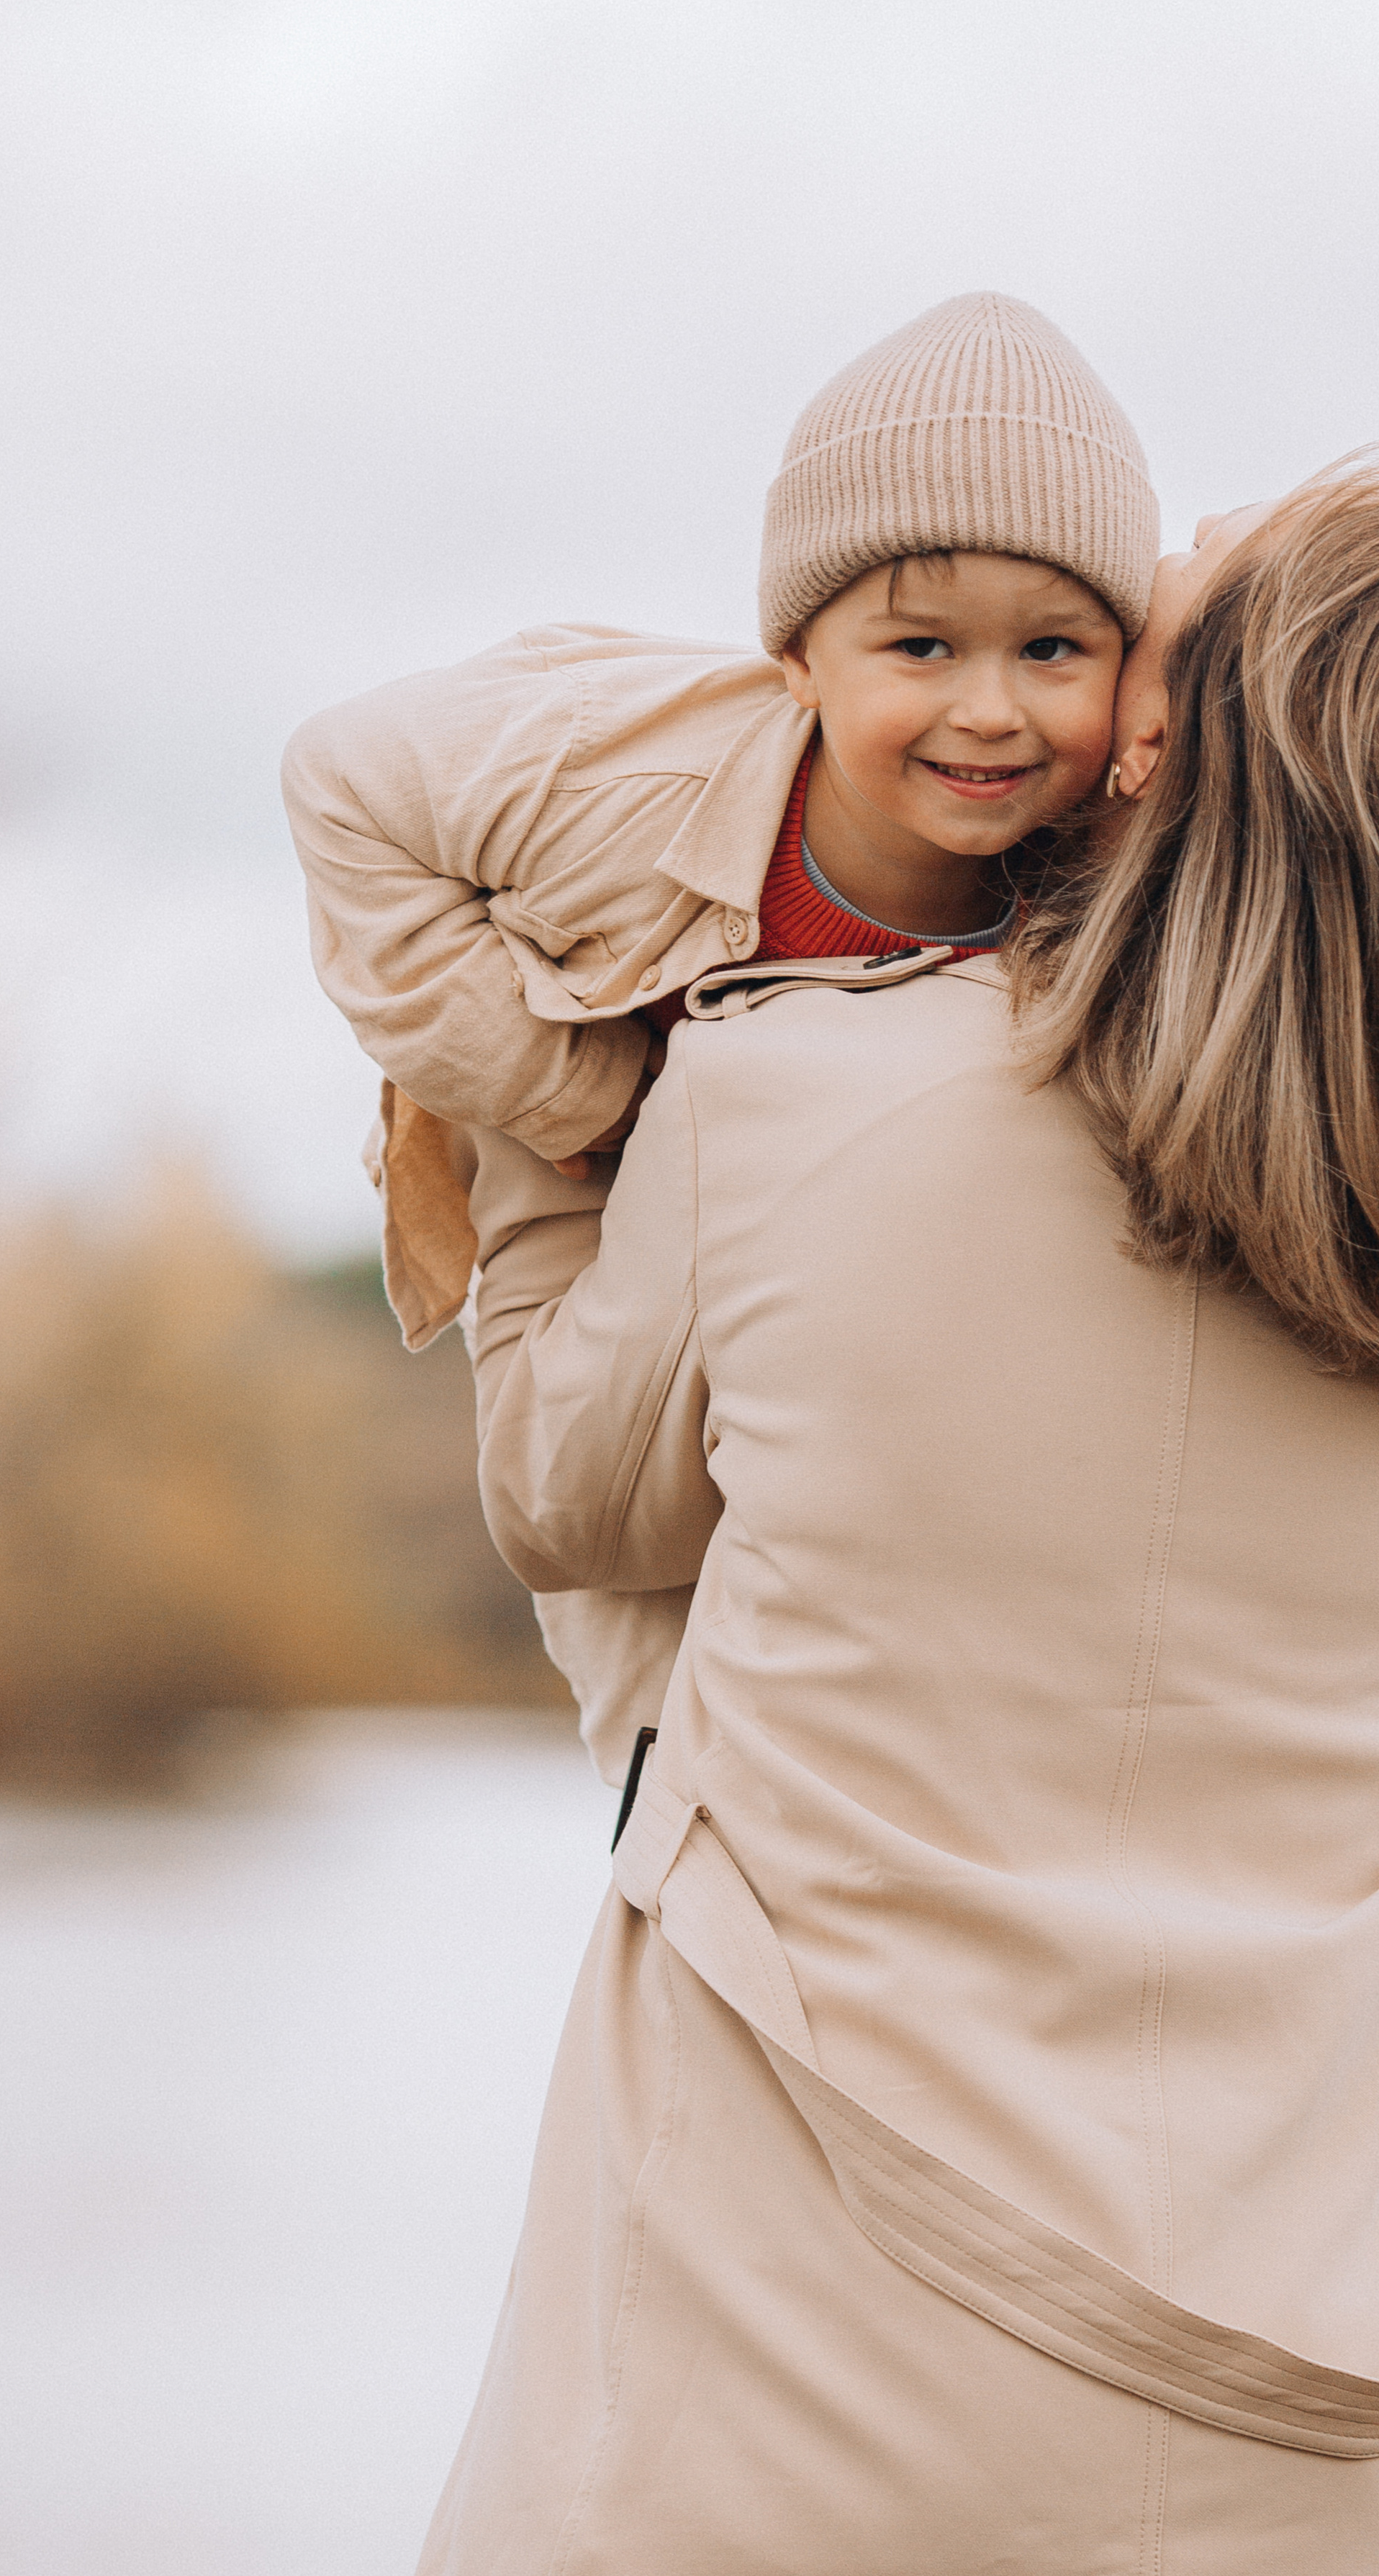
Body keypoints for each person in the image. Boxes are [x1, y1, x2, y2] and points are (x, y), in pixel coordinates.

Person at [368, 454, 1379, 2576]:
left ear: (1187, 762)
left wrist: (548, 1142)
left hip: (808, 2403)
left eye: (1158, 619)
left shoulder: (797, 1104)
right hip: (1353, 2464)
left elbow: (571, 1498)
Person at [281, 291, 1156, 1776]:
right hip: (585, 1172)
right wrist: (577, 1094)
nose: (992, 710)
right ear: (797, 660)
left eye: (1056, 649)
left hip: (824, 1248)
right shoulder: (609, 766)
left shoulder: (1107, 850)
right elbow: (338, 779)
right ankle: (656, 1808)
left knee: (821, 1567)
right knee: (636, 1614)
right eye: (921, 648)